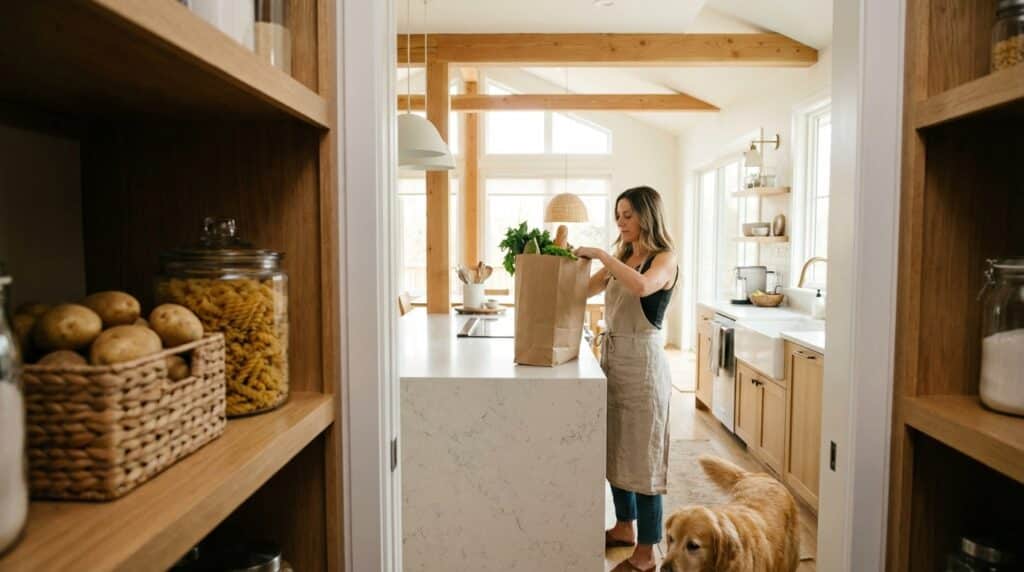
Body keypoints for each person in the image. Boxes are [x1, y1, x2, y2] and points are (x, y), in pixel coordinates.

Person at [574, 186, 678, 572]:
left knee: (644, 460)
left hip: (644, 367)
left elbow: (642, 286)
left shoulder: (664, 259)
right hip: (615, 361)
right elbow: (584, 290)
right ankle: (623, 528)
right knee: (617, 449)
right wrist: (564, 266)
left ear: (648, 216)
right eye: (618, 214)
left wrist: (602, 254)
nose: (621, 222)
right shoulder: (623, 256)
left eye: (628, 214)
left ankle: (647, 553)